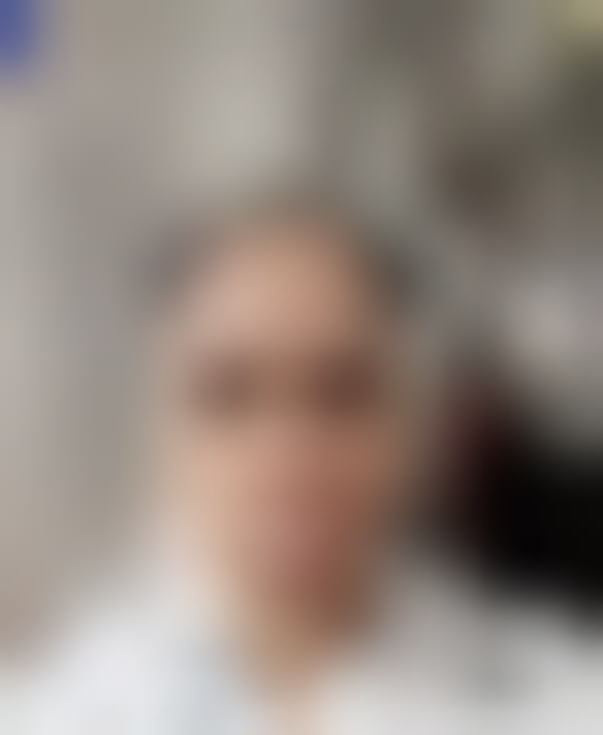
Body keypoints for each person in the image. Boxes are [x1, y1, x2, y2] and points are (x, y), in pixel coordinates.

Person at [23, 194, 600, 735]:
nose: (287, 450)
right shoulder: (51, 714)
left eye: (341, 392)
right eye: (229, 394)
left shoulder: (567, 701)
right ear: (159, 428)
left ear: (414, 422)